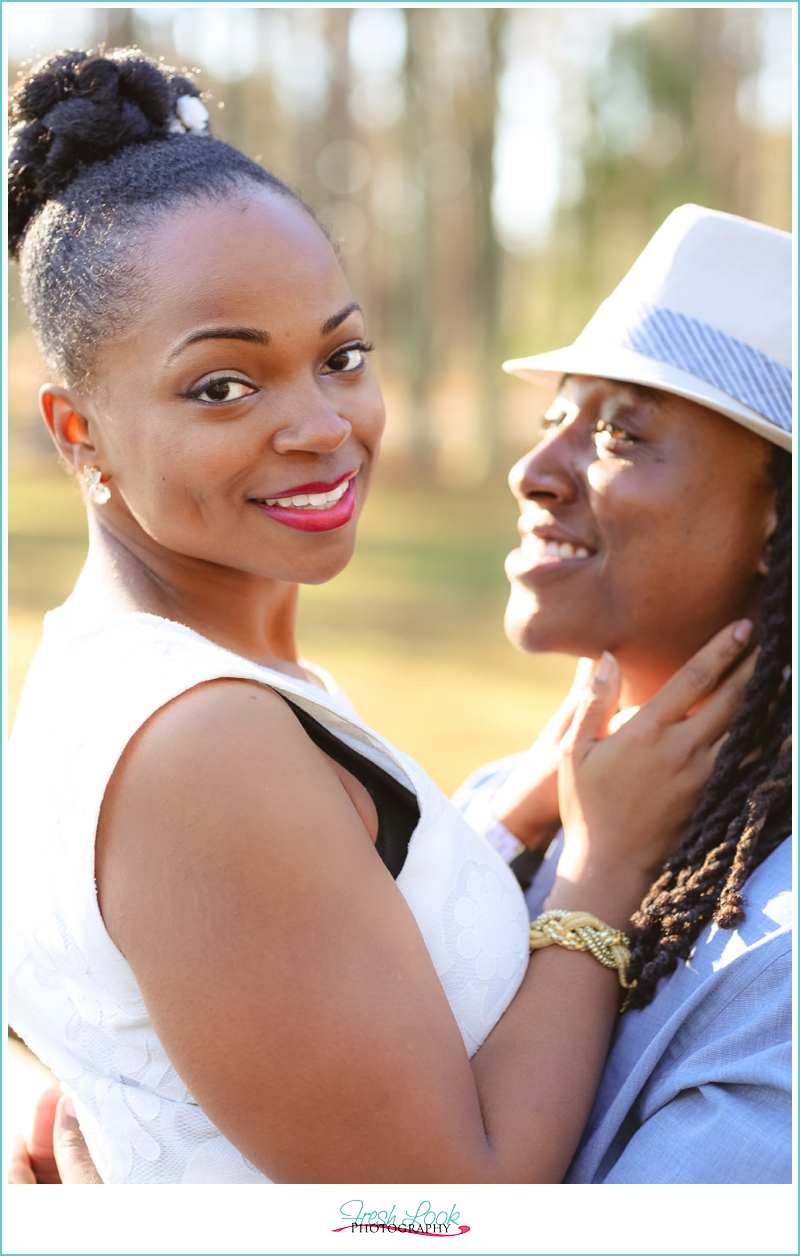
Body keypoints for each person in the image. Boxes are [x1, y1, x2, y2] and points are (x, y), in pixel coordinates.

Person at [7, 48, 748, 1186]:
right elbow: (439, 1213)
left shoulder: (171, 678)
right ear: (77, 431)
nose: (321, 425)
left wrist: (509, 825)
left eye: (341, 355)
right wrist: (598, 876)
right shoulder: (203, 743)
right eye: (223, 385)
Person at [456, 203, 793, 1183]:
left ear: (774, 519)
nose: (532, 471)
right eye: (552, 417)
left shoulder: (774, 944)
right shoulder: (499, 805)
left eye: (617, 433)